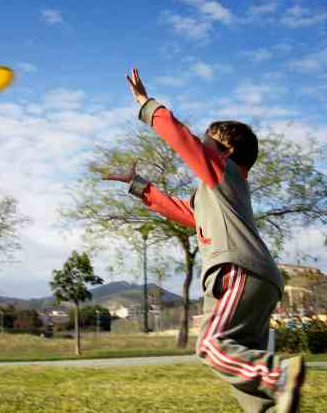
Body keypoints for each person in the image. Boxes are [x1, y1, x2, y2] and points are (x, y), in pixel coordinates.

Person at [103, 69, 305, 413]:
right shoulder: (219, 192)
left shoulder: (222, 172)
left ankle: (277, 373)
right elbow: (185, 213)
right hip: (260, 280)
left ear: (223, 151)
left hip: (238, 271)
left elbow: (181, 139)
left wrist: (145, 104)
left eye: (207, 143)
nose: (201, 148)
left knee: (211, 346)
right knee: (241, 365)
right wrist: (139, 185)